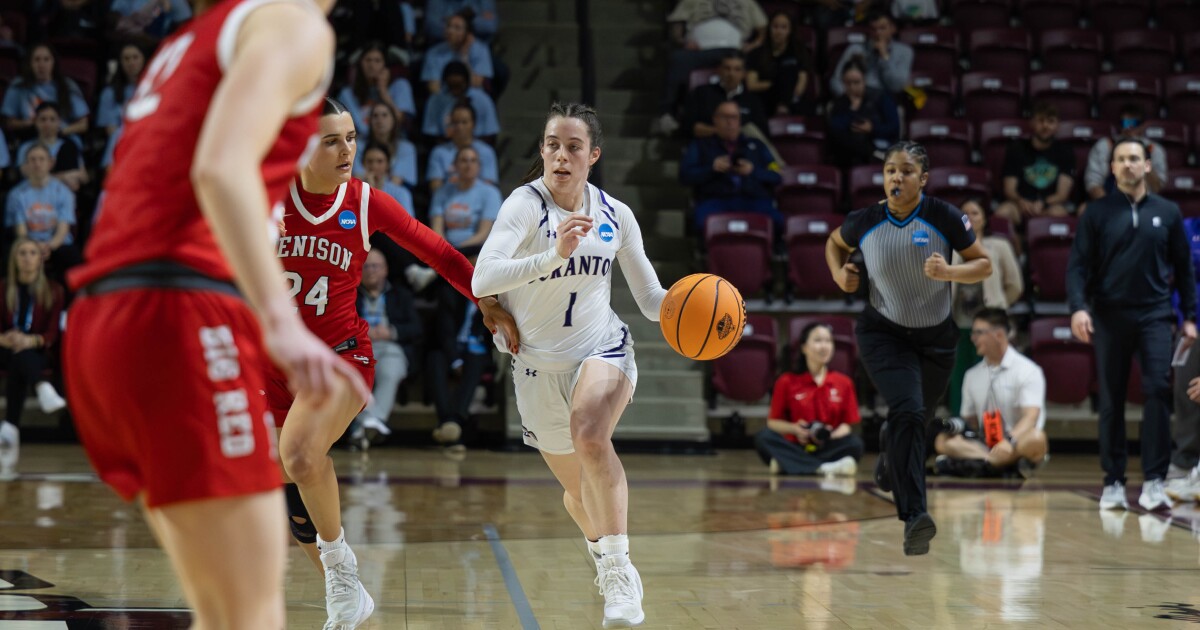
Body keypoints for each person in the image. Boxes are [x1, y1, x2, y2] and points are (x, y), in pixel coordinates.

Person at [62, 0, 361, 628]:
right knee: (249, 615)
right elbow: (220, 169)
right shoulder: (293, 23)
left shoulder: (195, 38)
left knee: (224, 612)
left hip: (104, 314)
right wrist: (280, 323)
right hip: (177, 311)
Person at [267, 97, 517, 626]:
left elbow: (439, 252)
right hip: (274, 365)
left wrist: (484, 300)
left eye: (351, 138)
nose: (347, 150)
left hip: (342, 357)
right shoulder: (265, 199)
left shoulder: (365, 202)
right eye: (331, 141)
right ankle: (347, 593)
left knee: (302, 456)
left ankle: (341, 571)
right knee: (293, 494)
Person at [472, 102, 667, 627]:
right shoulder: (524, 205)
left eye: (573, 147)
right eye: (552, 145)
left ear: (592, 156)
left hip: (601, 349)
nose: (561, 155)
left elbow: (652, 301)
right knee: (581, 496)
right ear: (542, 151)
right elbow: (482, 278)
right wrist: (553, 255)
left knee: (590, 434)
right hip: (536, 368)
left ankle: (619, 571)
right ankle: (607, 557)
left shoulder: (615, 215)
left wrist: (701, 312)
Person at [825, 141, 992, 555]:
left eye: (906, 171)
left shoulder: (944, 216)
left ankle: (890, 455)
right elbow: (833, 243)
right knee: (909, 411)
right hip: (884, 335)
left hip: (936, 340)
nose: (896, 177)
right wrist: (838, 275)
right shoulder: (865, 220)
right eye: (890, 170)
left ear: (923, 179)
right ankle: (915, 516)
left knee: (915, 421)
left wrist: (950, 271)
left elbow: (983, 264)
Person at [1066, 137, 1195, 513]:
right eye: (1121, 159)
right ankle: (1114, 482)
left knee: (1157, 391)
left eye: (1134, 158)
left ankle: (1154, 480)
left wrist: (1189, 317)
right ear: (1112, 168)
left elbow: (1184, 269)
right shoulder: (1096, 212)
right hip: (1109, 316)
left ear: (1147, 165)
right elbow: (1077, 266)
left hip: (1155, 315)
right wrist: (1078, 308)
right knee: (1111, 399)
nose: (1128, 164)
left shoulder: (1168, 212)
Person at [934, 308, 1048, 476]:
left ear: (999, 335)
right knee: (942, 440)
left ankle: (982, 463)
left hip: (1016, 442)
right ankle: (996, 463)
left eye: (979, 333)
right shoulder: (972, 375)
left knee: (1037, 438)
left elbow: (1031, 417)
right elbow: (970, 421)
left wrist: (1009, 440)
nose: (973, 338)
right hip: (985, 443)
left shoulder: (1028, 371)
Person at [755, 322, 864, 476]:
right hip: (796, 443)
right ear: (804, 347)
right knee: (764, 437)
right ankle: (824, 468)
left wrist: (830, 435)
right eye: (818, 340)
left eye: (828, 341)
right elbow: (773, 422)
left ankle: (789, 464)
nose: (824, 346)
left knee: (855, 444)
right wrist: (794, 429)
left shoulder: (844, 382)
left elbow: (847, 425)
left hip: (827, 445)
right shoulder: (786, 381)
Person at [0, 238, 68, 480]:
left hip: (37, 351)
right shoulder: (2, 288)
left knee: (23, 357)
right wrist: (6, 340)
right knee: (19, 355)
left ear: (40, 259)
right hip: (4, 348)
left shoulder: (54, 290)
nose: (27, 258)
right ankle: (42, 388)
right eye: (22, 253)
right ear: (14, 259)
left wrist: (31, 341)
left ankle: (10, 427)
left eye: (32, 253)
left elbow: (52, 333)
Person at [948, 198, 1022, 416]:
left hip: (990, 323)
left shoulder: (999, 246)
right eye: (965, 213)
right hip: (959, 322)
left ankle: (989, 423)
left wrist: (999, 305)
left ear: (984, 218)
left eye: (975, 213)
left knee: (990, 373)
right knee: (959, 376)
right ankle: (959, 422)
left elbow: (1015, 285)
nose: (970, 217)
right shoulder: (948, 246)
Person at [655, 0, 768, 135]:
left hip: (734, 50)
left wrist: (753, 45)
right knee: (678, 58)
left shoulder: (748, 2)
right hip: (700, 51)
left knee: (753, 60)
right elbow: (676, 24)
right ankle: (667, 113)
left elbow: (762, 29)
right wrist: (682, 42)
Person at [350, 248, 422, 447]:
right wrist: (362, 333)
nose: (371, 270)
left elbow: (416, 328)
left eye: (376, 266)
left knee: (390, 372)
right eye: (366, 266)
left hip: (391, 348)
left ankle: (363, 426)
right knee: (355, 375)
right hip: (359, 348)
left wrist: (392, 331)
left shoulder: (401, 295)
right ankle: (372, 424)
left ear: (385, 270)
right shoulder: (350, 295)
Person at [679, 100, 782, 236]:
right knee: (701, 222)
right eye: (725, 117)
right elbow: (685, 175)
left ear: (739, 121)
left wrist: (753, 171)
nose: (730, 122)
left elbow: (776, 175)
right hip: (716, 199)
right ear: (715, 120)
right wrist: (711, 169)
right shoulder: (700, 145)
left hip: (753, 200)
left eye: (734, 117)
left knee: (778, 221)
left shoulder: (757, 145)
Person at [994, 102, 1075, 226]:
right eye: (1041, 121)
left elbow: (1062, 194)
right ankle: (1014, 239)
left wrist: (1043, 202)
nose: (1045, 126)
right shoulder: (1016, 149)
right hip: (1020, 205)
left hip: (1049, 206)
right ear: (1031, 123)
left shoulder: (1065, 152)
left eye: (1051, 121)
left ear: (1058, 125)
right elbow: (1009, 189)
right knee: (1003, 212)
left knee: (1060, 214)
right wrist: (1021, 201)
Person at [6, 144, 80, 278]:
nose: (37, 164)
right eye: (32, 160)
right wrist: (33, 249)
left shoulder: (64, 192)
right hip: (27, 243)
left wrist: (49, 246)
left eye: (41, 159)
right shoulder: (16, 194)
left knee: (72, 257)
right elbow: (21, 231)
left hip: (58, 243)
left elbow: (63, 228)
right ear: (26, 165)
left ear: (50, 163)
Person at [1084, 103, 1168, 202]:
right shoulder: (1105, 146)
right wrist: (1108, 207)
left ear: (1143, 126)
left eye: (1135, 124)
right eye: (1126, 123)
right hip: (1110, 202)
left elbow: (1157, 187)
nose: (1129, 128)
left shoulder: (1154, 149)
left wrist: (1143, 156)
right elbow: (1093, 184)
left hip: (1145, 204)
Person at [1, 43, 90, 137]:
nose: (41, 65)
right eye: (37, 60)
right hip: (31, 136)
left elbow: (83, 124)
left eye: (46, 59)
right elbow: (8, 123)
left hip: (63, 137)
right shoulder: (18, 85)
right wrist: (28, 124)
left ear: (53, 62)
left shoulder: (67, 85)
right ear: (29, 63)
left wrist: (61, 132)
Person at [826, 57, 900, 169]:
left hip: (878, 147)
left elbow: (894, 127)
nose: (852, 87)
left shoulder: (881, 97)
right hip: (849, 155)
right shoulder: (840, 103)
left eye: (856, 82)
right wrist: (852, 110)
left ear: (864, 80)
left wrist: (872, 128)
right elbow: (835, 128)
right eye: (848, 83)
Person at [681, 51, 768, 141]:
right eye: (727, 68)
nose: (731, 74)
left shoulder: (753, 100)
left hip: (743, 146)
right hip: (707, 144)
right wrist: (720, 132)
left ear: (744, 74)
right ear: (719, 70)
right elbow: (688, 127)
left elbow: (762, 132)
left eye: (737, 69)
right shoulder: (701, 93)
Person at [336, 41, 416, 136]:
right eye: (368, 60)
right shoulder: (347, 94)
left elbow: (401, 121)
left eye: (377, 61)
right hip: (362, 141)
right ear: (360, 64)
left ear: (385, 65)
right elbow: (349, 128)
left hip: (394, 140)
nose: (372, 65)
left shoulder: (400, 86)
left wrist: (383, 92)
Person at [746, 11, 815, 116]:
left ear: (790, 30)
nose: (779, 31)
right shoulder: (756, 54)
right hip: (765, 98)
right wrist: (777, 85)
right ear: (769, 29)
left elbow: (801, 85)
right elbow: (752, 85)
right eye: (775, 27)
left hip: (792, 99)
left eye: (784, 27)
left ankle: (784, 107)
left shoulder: (799, 51)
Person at [830, 12, 912, 98]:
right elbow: (836, 80)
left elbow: (896, 86)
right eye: (873, 29)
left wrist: (885, 57)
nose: (878, 33)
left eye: (882, 28)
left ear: (893, 29)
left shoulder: (904, 51)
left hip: (887, 98)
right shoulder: (855, 49)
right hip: (858, 98)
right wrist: (848, 97)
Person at [426, 102, 498, 192]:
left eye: (464, 122)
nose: (459, 127)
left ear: (473, 124)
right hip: (449, 199)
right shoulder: (439, 152)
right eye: (455, 122)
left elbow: (489, 187)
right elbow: (436, 188)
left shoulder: (486, 152)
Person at [16, 102, 88, 192]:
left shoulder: (70, 145)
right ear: (35, 122)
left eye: (52, 119)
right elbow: (28, 177)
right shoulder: (25, 147)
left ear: (59, 122)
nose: (47, 124)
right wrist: (65, 176)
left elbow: (83, 177)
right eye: (43, 119)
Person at [422, 60, 500, 139]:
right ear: (445, 82)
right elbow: (430, 134)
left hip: (476, 142)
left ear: (467, 82)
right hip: (445, 143)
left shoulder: (483, 100)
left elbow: (490, 133)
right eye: (451, 85)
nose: (455, 90)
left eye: (458, 85)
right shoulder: (435, 100)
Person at [421, 11, 493, 94]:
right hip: (445, 95)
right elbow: (434, 87)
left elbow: (476, 83)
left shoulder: (481, 50)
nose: (450, 31)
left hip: (471, 95)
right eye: (448, 26)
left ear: (468, 33)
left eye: (457, 28)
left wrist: (464, 56)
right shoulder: (433, 52)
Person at [354, 102, 417, 190]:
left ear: (393, 120)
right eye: (375, 116)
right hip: (362, 192)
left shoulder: (406, 148)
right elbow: (357, 179)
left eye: (385, 115)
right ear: (369, 121)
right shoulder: (358, 145)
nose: (380, 120)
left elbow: (396, 182)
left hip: (392, 195)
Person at [96, 44, 147, 137]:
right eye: (126, 59)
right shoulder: (109, 93)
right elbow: (111, 130)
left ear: (144, 59)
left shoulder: (156, 88)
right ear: (120, 63)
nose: (131, 62)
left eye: (135, 57)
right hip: (123, 140)